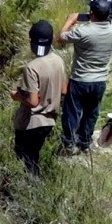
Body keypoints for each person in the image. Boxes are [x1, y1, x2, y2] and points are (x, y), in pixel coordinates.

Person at [58, 0, 112, 154]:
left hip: (80, 79)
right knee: (91, 113)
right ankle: (84, 142)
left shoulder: (83, 31)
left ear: (91, 13)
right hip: (99, 81)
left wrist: (70, 20)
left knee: (72, 112)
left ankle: (68, 143)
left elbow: (61, 38)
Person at [12, 20, 67, 175]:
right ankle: (34, 188)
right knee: (34, 158)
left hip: (31, 122)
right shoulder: (59, 60)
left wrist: (17, 96)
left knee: (25, 161)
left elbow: (32, 101)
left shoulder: (32, 68)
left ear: (31, 42)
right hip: (49, 121)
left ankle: (30, 191)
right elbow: (64, 90)